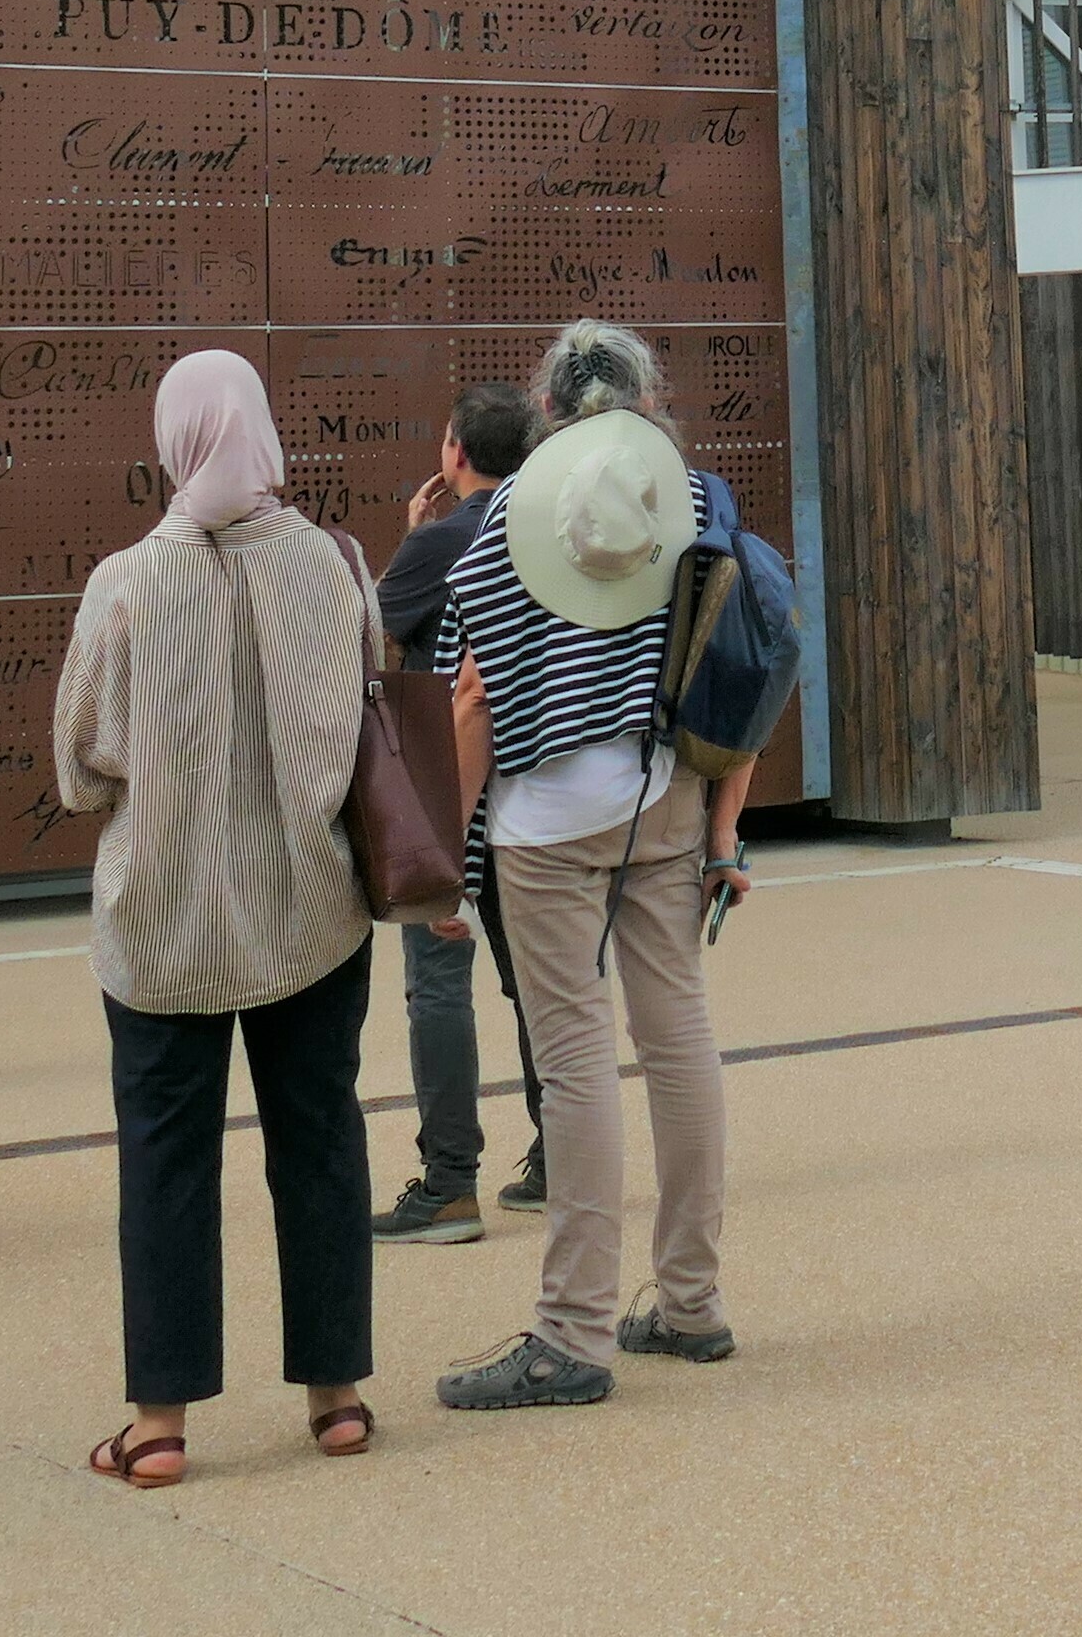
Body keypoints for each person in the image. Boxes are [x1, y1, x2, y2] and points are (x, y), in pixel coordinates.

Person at [50, 353, 380, 1486]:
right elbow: (367, 710)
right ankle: (336, 1398)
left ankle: (161, 1425)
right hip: (312, 908)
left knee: (165, 1163)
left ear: (172, 436)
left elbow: (83, 772)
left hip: (163, 921)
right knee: (322, 1142)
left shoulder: (126, 581)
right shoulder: (336, 566)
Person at [428, 319, 753, 1413]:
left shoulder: (501, 527)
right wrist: (721, 832)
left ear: (549, 412)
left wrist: (446, 858)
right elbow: (749, 660)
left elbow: (467, 700)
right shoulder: (699, 503)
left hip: (543, 823)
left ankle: (571, 1336)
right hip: (664, 798)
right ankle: (692, 1303)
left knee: (575, 1066)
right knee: (680, 1040)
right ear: (648, 402)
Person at [369, 378, 542, 1245]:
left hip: (454, 782)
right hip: (543, 787)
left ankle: (448, 1183)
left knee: (437, 981)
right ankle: (559, 1157)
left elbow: (380, 640)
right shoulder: (546, 529)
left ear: (456, 453)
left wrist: (415, 544)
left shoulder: (444, 541)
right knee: (540, 981)